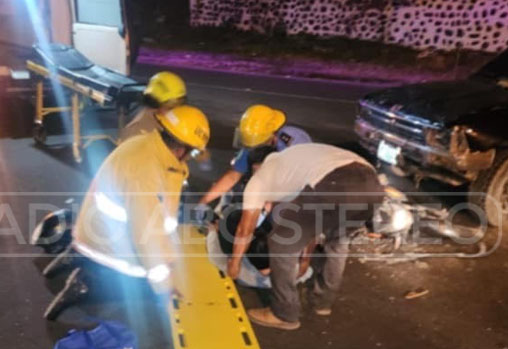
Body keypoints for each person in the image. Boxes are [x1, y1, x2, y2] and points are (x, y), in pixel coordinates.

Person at [44, 105, 210, 319]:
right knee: (145, 276)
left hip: (94, 229)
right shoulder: (147, 171)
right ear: (182, 148)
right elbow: (145, 235)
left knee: (162, 259)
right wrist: (164, 284)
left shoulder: (145, 145)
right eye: (193, 152)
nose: (191, 158)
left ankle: (75, 257)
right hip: (107, 242)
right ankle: (85, 283)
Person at [227, 143, 384, 330]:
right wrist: (304, 260)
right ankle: (322, 303)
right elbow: (310, 226)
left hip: (336, 180)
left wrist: (234, 262)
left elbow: (245, 229)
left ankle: (283, 313)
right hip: (372, 185)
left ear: (256, 167)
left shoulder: (260, 178)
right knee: (337, 244)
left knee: (280, 241)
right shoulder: (291, 166)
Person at [197, 104, 312, 208]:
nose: (254, 147)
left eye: (258, 143)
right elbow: (233, 176)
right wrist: (203, 201)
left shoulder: (293, 140)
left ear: (272, 135)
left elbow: (297, 178)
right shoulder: (256, 141)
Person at [118, 71, 187, 142]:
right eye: (170, 107)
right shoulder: (137, 132)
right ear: (155, 103)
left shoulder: (167, 122)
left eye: (180, 104)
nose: (176, 111)